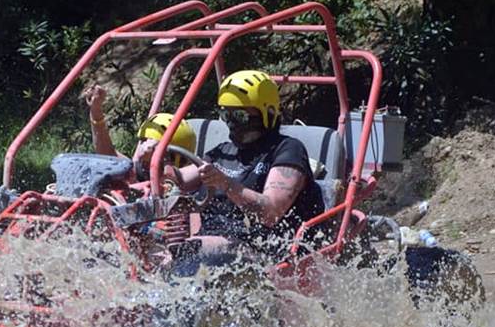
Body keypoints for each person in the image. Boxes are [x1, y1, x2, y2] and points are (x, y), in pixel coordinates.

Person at [177, 70, 325, 260]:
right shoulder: (223, 151)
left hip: (264, 250)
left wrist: (226, 184)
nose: (231, 123)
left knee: (187, 251)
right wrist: (147, 159)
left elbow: (271, 213)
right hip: (213, 245)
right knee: (153, 249)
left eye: (239, 115)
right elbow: (178, 179)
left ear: (267, 113)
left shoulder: (288, 150)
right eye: (226, 115)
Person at [83, 85, 196, 184]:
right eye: (143, 140)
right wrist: (96, 110)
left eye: (151, 143)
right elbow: (107, 153)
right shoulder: (136, 171)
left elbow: (188, 175)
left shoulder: (183, 181)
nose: (144, 147)